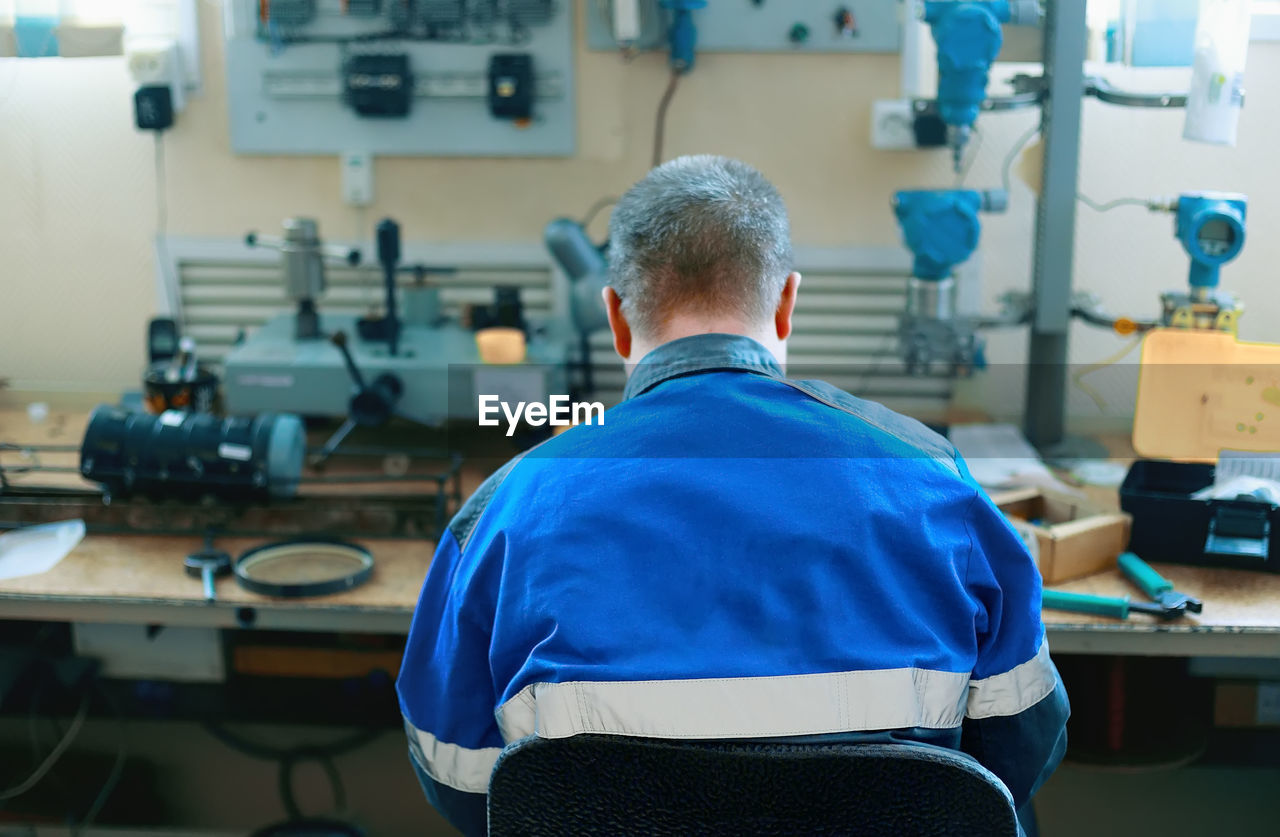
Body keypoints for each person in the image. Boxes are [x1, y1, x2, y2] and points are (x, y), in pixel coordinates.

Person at [397, 155, 1068, 836]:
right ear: (786, 303)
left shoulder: (504, 510)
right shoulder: (931, 478)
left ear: (616, 320)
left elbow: (464, 784)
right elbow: (1019, 750)